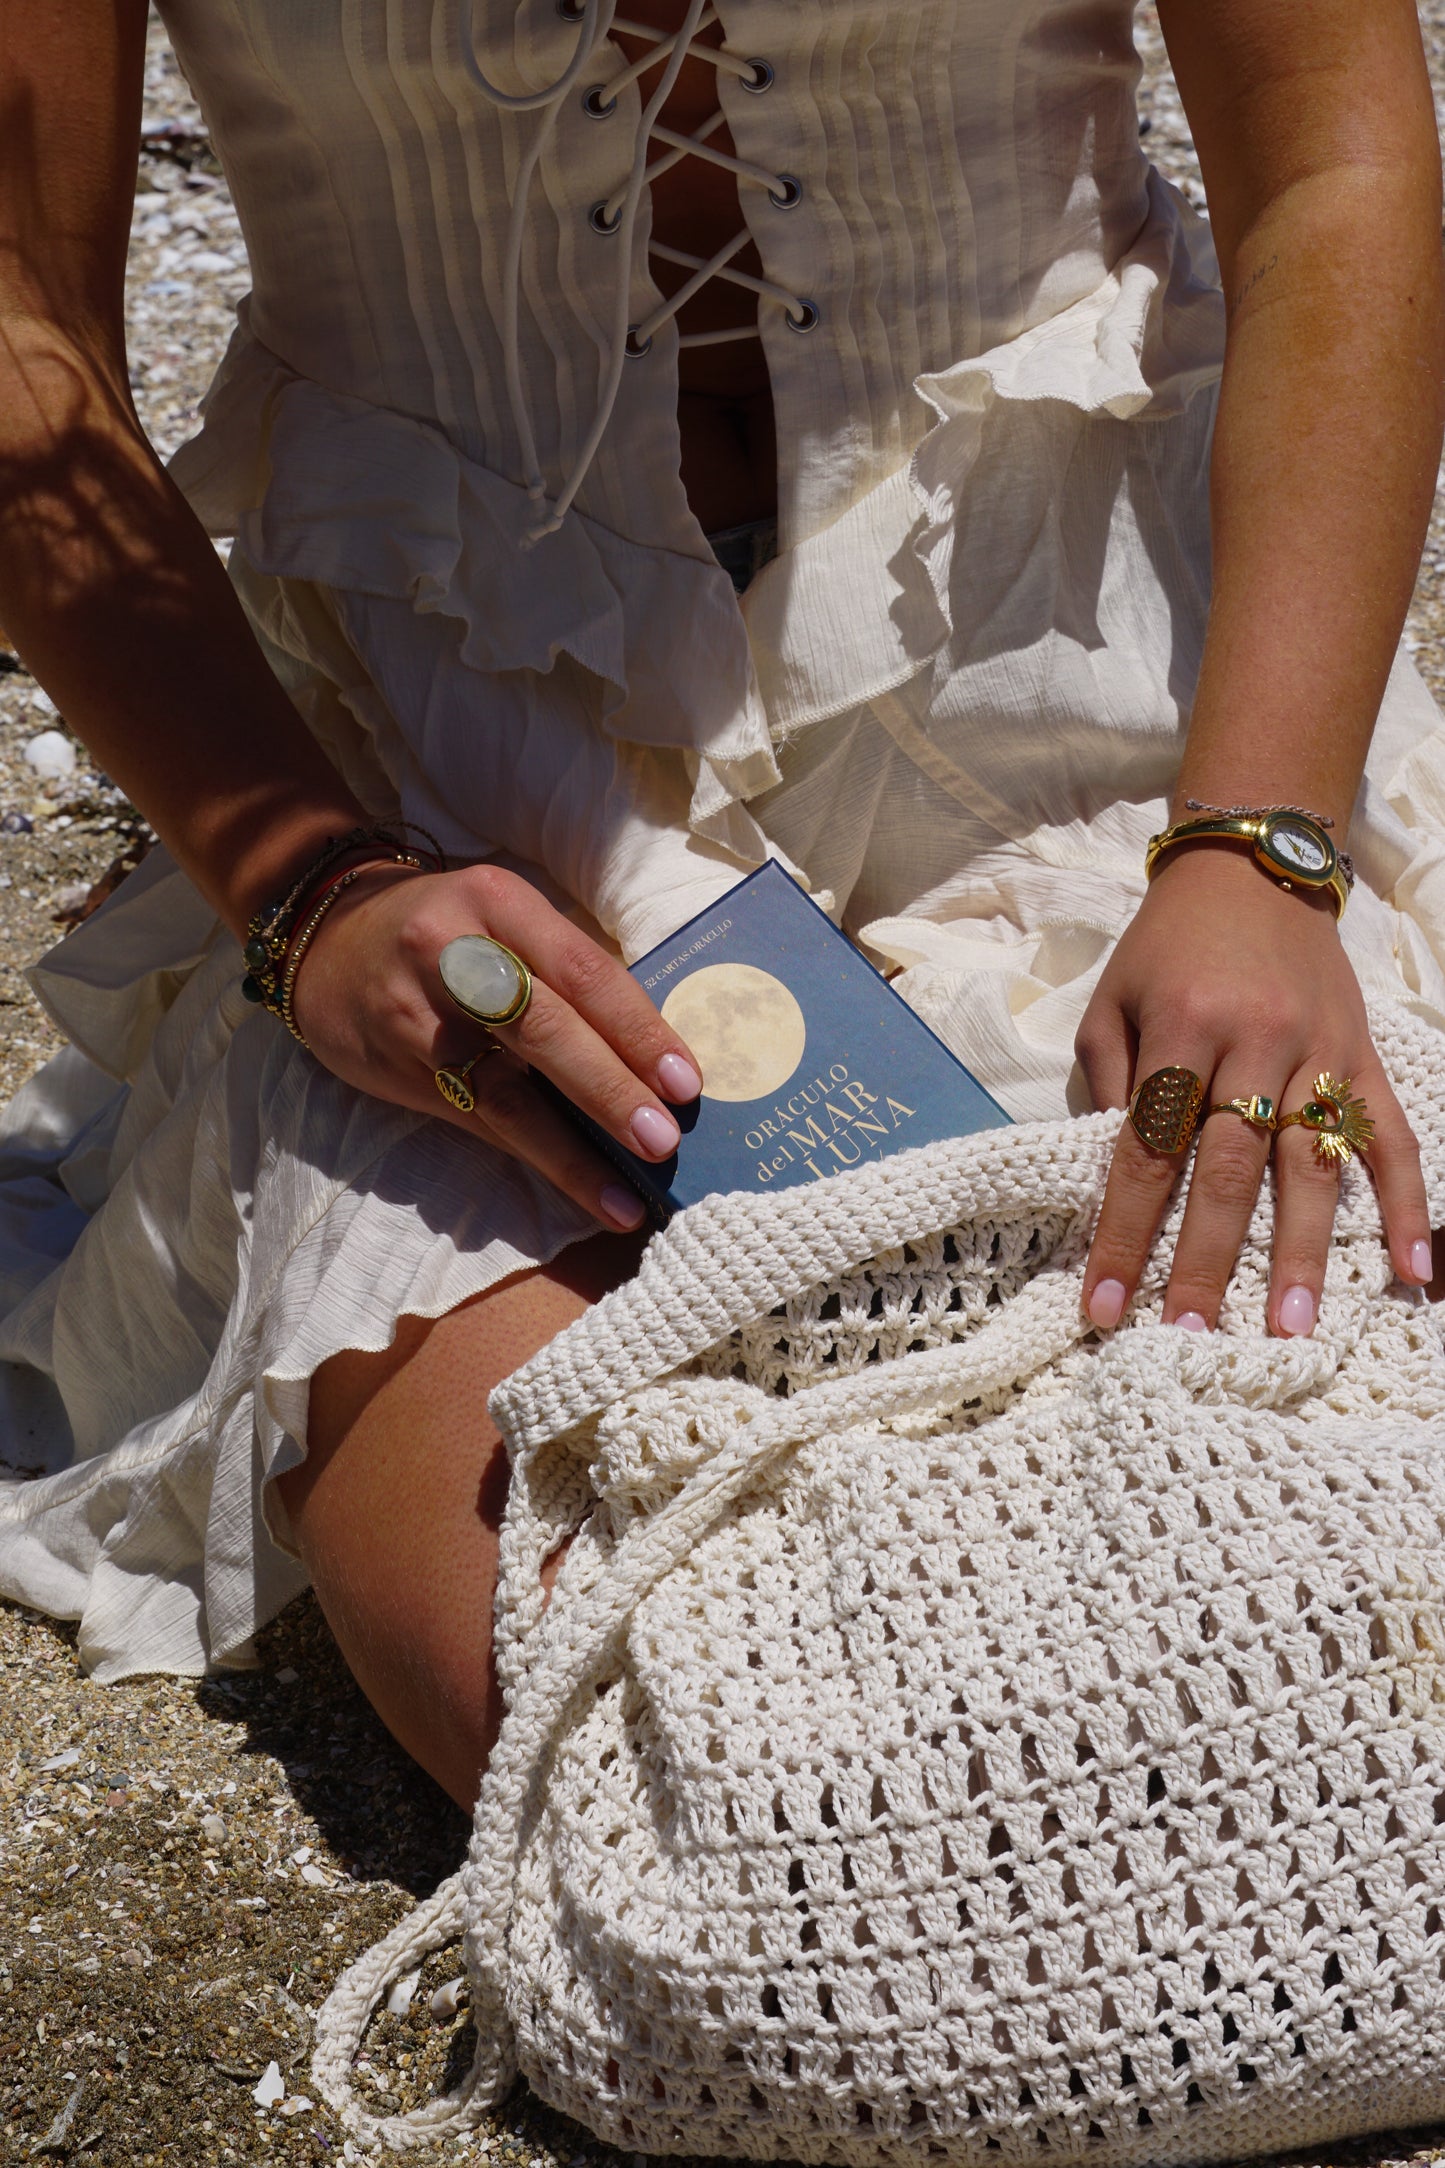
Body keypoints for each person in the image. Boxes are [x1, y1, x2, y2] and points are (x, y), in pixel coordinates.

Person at [0, 0, 1442, 1814]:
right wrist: (309, 883)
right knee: (671, 1773)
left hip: (1120, 683)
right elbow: (18, 317)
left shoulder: (1219, 801)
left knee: (1360, 1568)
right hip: (457, 786)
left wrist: (1258, 842)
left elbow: (1330, 167)